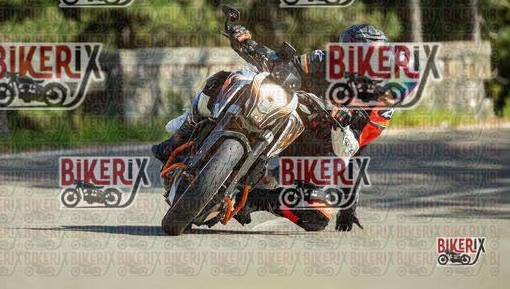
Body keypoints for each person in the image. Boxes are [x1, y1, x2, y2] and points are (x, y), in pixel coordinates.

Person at [153, 23, 397, 232]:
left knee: (318, 215)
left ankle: (252, 200)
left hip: (313, 155)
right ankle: (180, 136)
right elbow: (283, 65)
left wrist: (348, 206)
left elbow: (357, 153)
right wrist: (248, 44)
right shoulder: (323, 60)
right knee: (227, 78)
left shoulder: (382, 103)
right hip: (286, 118)